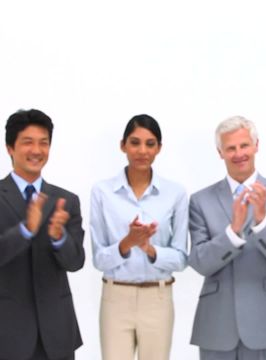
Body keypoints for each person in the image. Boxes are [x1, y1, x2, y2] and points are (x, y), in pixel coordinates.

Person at [0, 109, 85, 360]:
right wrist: (25, 230)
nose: (37, 150)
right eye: (28, 142)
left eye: (44, 143)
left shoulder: (66, 201)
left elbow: (76, 262)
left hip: (56, 333)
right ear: (10, 147)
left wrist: (58, 237)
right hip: (5, 333)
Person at [188, 116, 266, 360]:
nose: (238, 153)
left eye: (244, 145)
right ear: (220, 152)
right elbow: (199, 262)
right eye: (231, 148)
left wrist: (262, 222)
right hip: (216, 324)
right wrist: (233, 231)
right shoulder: (200, 200)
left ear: (256, 145)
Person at [90, 114, 188, 360]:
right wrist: (127, 243)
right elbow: (99, 260)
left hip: (158, 297)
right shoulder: (102, 192)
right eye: (135, 142)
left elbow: (181, 258)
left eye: (150, 143)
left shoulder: (175, 194)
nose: (142, 150)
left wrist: (149, 249)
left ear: (159, 148)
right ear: (123, 145)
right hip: (115, 298)